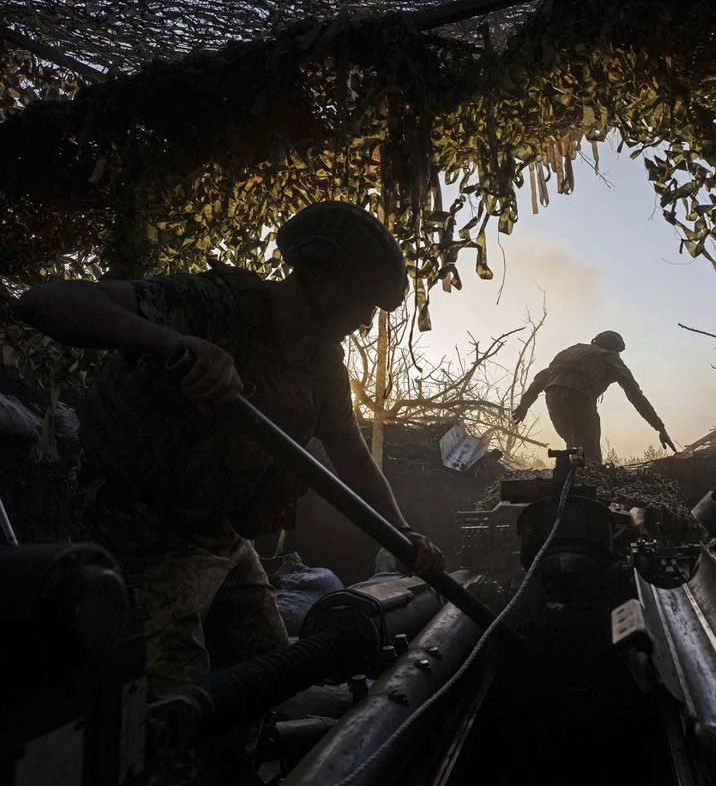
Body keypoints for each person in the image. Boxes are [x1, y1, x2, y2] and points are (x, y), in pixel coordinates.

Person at [14, 200, 445, 704]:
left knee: (267, 677)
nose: (364, 323)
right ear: (324, 285)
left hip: (222, 538)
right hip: (139, 535)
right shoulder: (214, 305)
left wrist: (402, 533)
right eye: (362, 306)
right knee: (171, 710)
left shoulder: (321, 364)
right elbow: (43, 302)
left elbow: (351, 453)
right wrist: (174, 342)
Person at [512, 331, 675, 466]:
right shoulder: (609, 356)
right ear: (615, 349)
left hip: (553, 399)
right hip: (579, 399)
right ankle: (591, 496)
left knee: (574, 448)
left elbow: (541, 379)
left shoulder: (571, 351)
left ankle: (569, 489)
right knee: (591, 458)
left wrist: (524, 405)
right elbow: (635, 394)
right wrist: (659, 427)